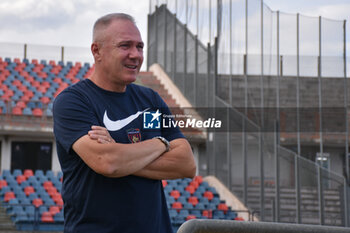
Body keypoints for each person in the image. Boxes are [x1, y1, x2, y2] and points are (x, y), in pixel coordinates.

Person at [53, 13, 196, 233]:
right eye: (125, 46)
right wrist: (161, 143)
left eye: (140, 47)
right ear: (96, 51)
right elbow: (108, 162)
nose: (135, 55)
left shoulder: (149, 101)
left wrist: (123, 155)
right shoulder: (74, 101)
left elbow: (186, 164)